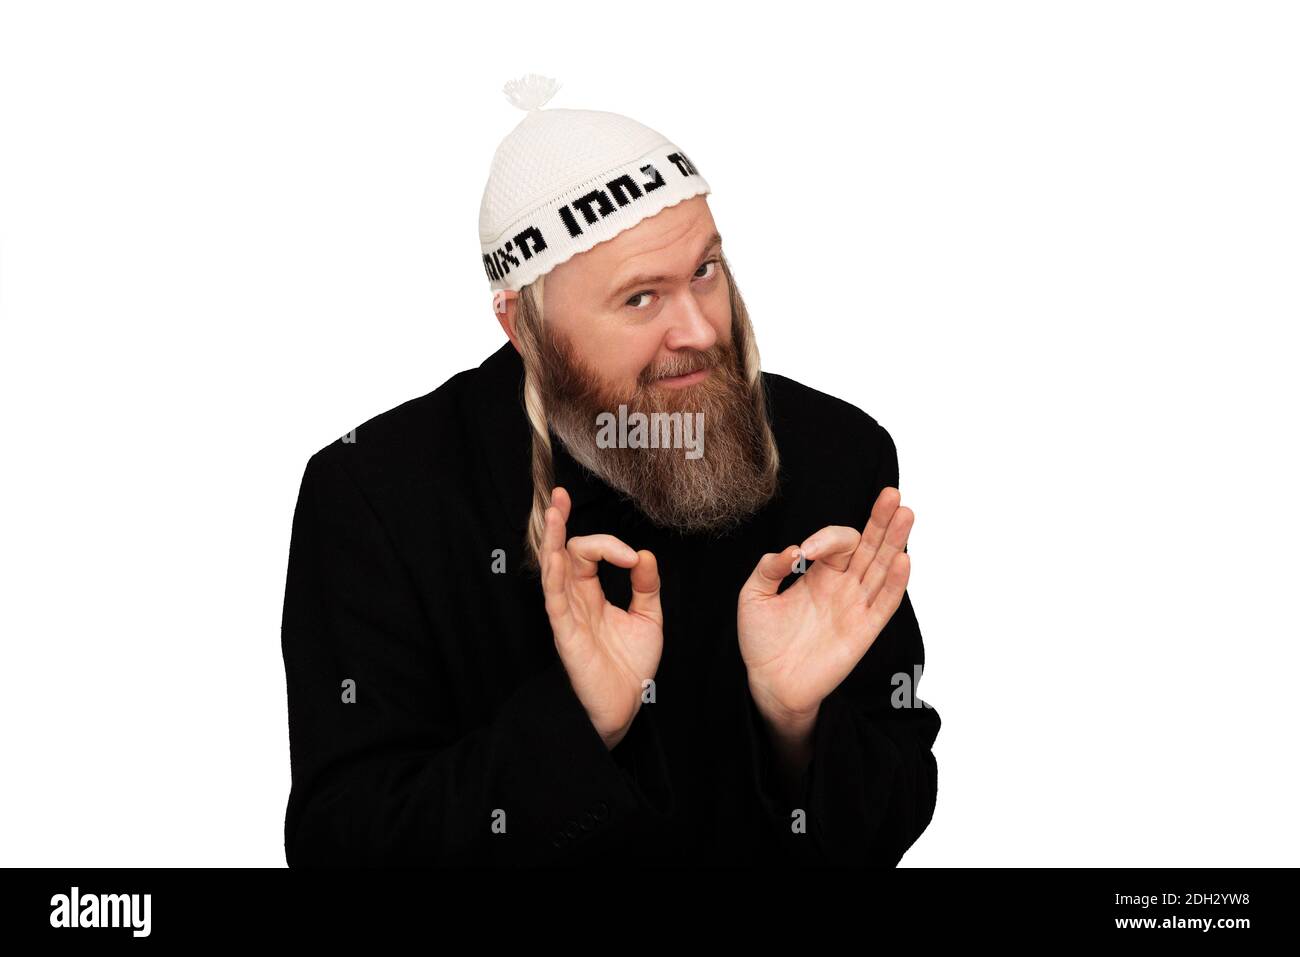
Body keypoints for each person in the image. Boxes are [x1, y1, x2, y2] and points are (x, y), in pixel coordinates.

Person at [279, 74, 940, 866]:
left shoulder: (835, 450)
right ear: (522, 323)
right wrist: (578, 723)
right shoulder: (377, 495)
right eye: (639, 299)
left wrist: (795, 722)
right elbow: (340, 841)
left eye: (705, 270)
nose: (698, 328)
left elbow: (892, 806)